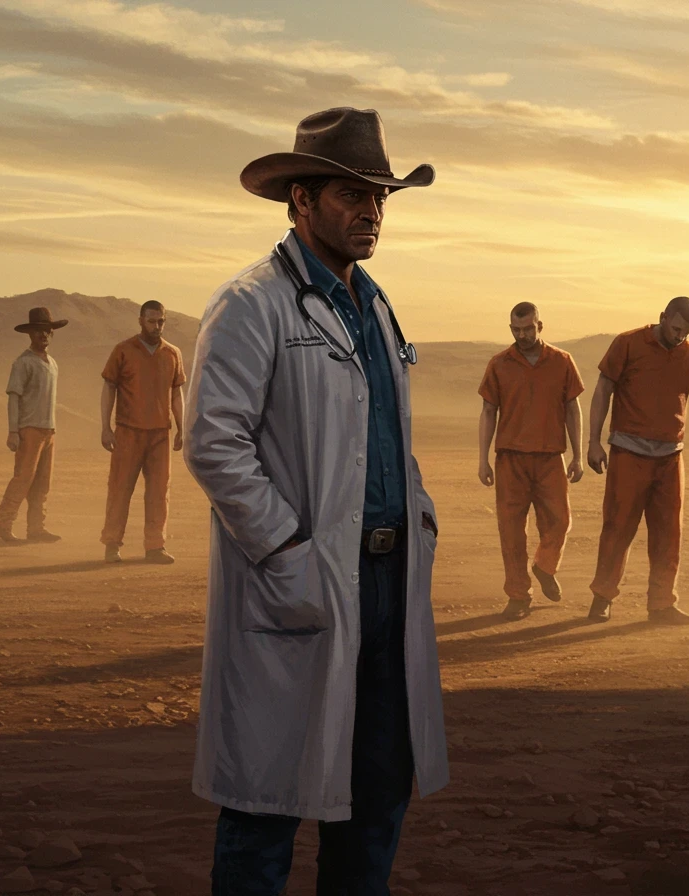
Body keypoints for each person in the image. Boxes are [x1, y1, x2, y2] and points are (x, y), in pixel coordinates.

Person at [183, 107, 447, 894]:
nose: (371, 213)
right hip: (302, 582)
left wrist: (420, 514)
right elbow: (213, 441)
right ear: (302, 199)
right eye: (352, 195)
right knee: (268, 801)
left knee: (375, 791)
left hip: (385, 584)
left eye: (381, 198)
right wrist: (287, 552)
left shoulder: (375, 305)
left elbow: (386, 432)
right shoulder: (252, 303)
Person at [585, 297, 689, 625]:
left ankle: (662, 604)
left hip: (669, 457)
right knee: (617, 528)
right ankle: (602, 598)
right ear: (662, 317)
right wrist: (593, 442)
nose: (680, 336)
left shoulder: (688, 350)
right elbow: (602, 389)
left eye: (687, 331)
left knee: (668, 533)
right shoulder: (628, 343)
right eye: (676, 328)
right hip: (628, 455)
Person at [478, 302, 585, 621]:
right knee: (511, 531)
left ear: (541, 326)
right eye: (516, 329)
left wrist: (578, 454)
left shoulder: (562, 361)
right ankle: (517, 596)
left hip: (551, 456)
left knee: (560, 521)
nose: (522, 334)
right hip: (510, 459)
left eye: (527, 328)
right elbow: (487, 412)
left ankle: (544, 565)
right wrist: (482, 459)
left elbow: (572, 408)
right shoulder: (499, 364)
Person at [99, 301, 186, 564]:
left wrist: (182, 427)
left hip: (160, 433)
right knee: (120, 489)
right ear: (140, 320)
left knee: (159, 492)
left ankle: (155, 546)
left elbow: (176, 392)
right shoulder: (123, 350)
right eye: (152, 321)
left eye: (161, 321)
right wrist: (105, 426)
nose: (157, 326)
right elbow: (109, 387)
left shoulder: (172, 353)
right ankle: (112, 544)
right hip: (128, 431)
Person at [0, 307, 66, 545]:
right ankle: (3, 523)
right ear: (30, 334)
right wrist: (13, 430)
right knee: (23, 479)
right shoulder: (23, 362)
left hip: (48, 429)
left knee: (43, 483)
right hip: (29, 429)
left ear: (51, 334)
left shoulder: (52, 363)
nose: (43, 335)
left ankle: (36, 528)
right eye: (38, 331)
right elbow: (14, 397)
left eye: (47, 331)